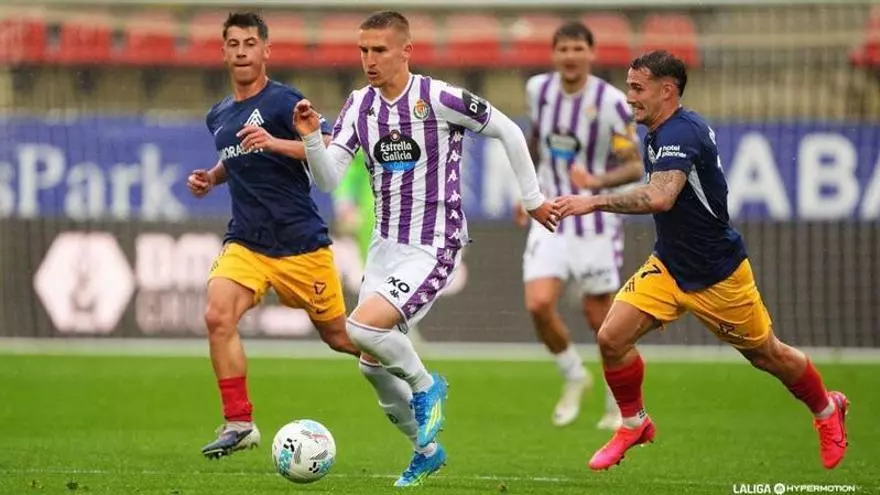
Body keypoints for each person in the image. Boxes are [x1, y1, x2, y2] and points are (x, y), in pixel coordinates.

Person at [295, 10, 559, 487]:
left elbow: (509, 130)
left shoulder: (437, 97)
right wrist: (313, 138)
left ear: (405, 51)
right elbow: (330, 178)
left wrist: (533, 200)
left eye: (379, 50)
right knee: (371, 362)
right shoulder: (359, 106)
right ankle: (427, 450)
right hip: (385, 247)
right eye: (363, 50)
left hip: (434, 243)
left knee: (361, 327)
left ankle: (425, 384)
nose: (369, 60)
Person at [553, 50, 849, 471]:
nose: (629, 96)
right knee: (611, 338)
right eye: (628, 86)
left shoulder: (682, 132)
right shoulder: (656, 128)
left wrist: (593, 201)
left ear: (667, 90)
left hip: (717, 275)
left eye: (637, 88)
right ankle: (634, 423)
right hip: (670, 266)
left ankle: (826, 409)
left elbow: (660, 197)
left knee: (768, 355)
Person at [186, 12, 359, 460]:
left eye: (249, 43)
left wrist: (276, 142)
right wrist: (212, 176)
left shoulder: (286, 102)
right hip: (246, 241)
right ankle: (239, 422)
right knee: (217, 316)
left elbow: (327, 152)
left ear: (266, 50)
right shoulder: (218, 114)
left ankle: (412, 376)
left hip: (300, 243)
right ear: (223, 51)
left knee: (341, 338)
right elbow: (238, 155)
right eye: (233, 43)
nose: (241, 51)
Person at [516, 21, 643, 430]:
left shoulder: (610, 102)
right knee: (538, 303)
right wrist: (528, 194)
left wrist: (597, 182)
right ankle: (574, 375)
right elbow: (536, 141)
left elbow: (635, 163)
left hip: (593, 221)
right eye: (563, 49)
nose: (570, 56)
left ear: (591, 53)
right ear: (554, 55)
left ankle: (617, 399)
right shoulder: (539, 90)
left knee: (600, 319)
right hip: (550, 213)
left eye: (578, 49)